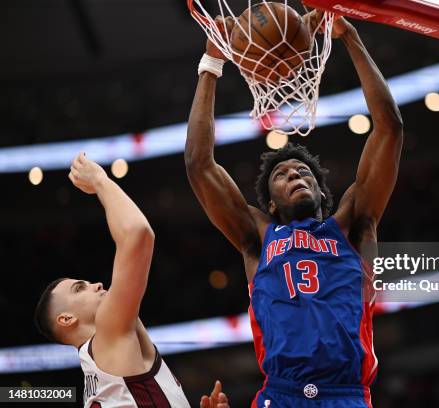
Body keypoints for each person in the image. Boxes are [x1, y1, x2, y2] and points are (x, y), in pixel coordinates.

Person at [185, 11, 403, 408]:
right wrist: (211, 64)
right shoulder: (258, 237)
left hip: (345, 395)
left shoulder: (354, 225)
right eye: (283, 175)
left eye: (304, 172)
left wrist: (349, 37)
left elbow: (389, 128)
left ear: (322, 193)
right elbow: (199, 164)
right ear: (270, 203)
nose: (296, 176)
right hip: (280, 394)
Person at [34, 153, 230, 408]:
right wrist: (99, 181)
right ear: (66, 319)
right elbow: (137, 234)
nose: (96, 285)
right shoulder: (106, 335)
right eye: (79, 288)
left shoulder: (100, 374)